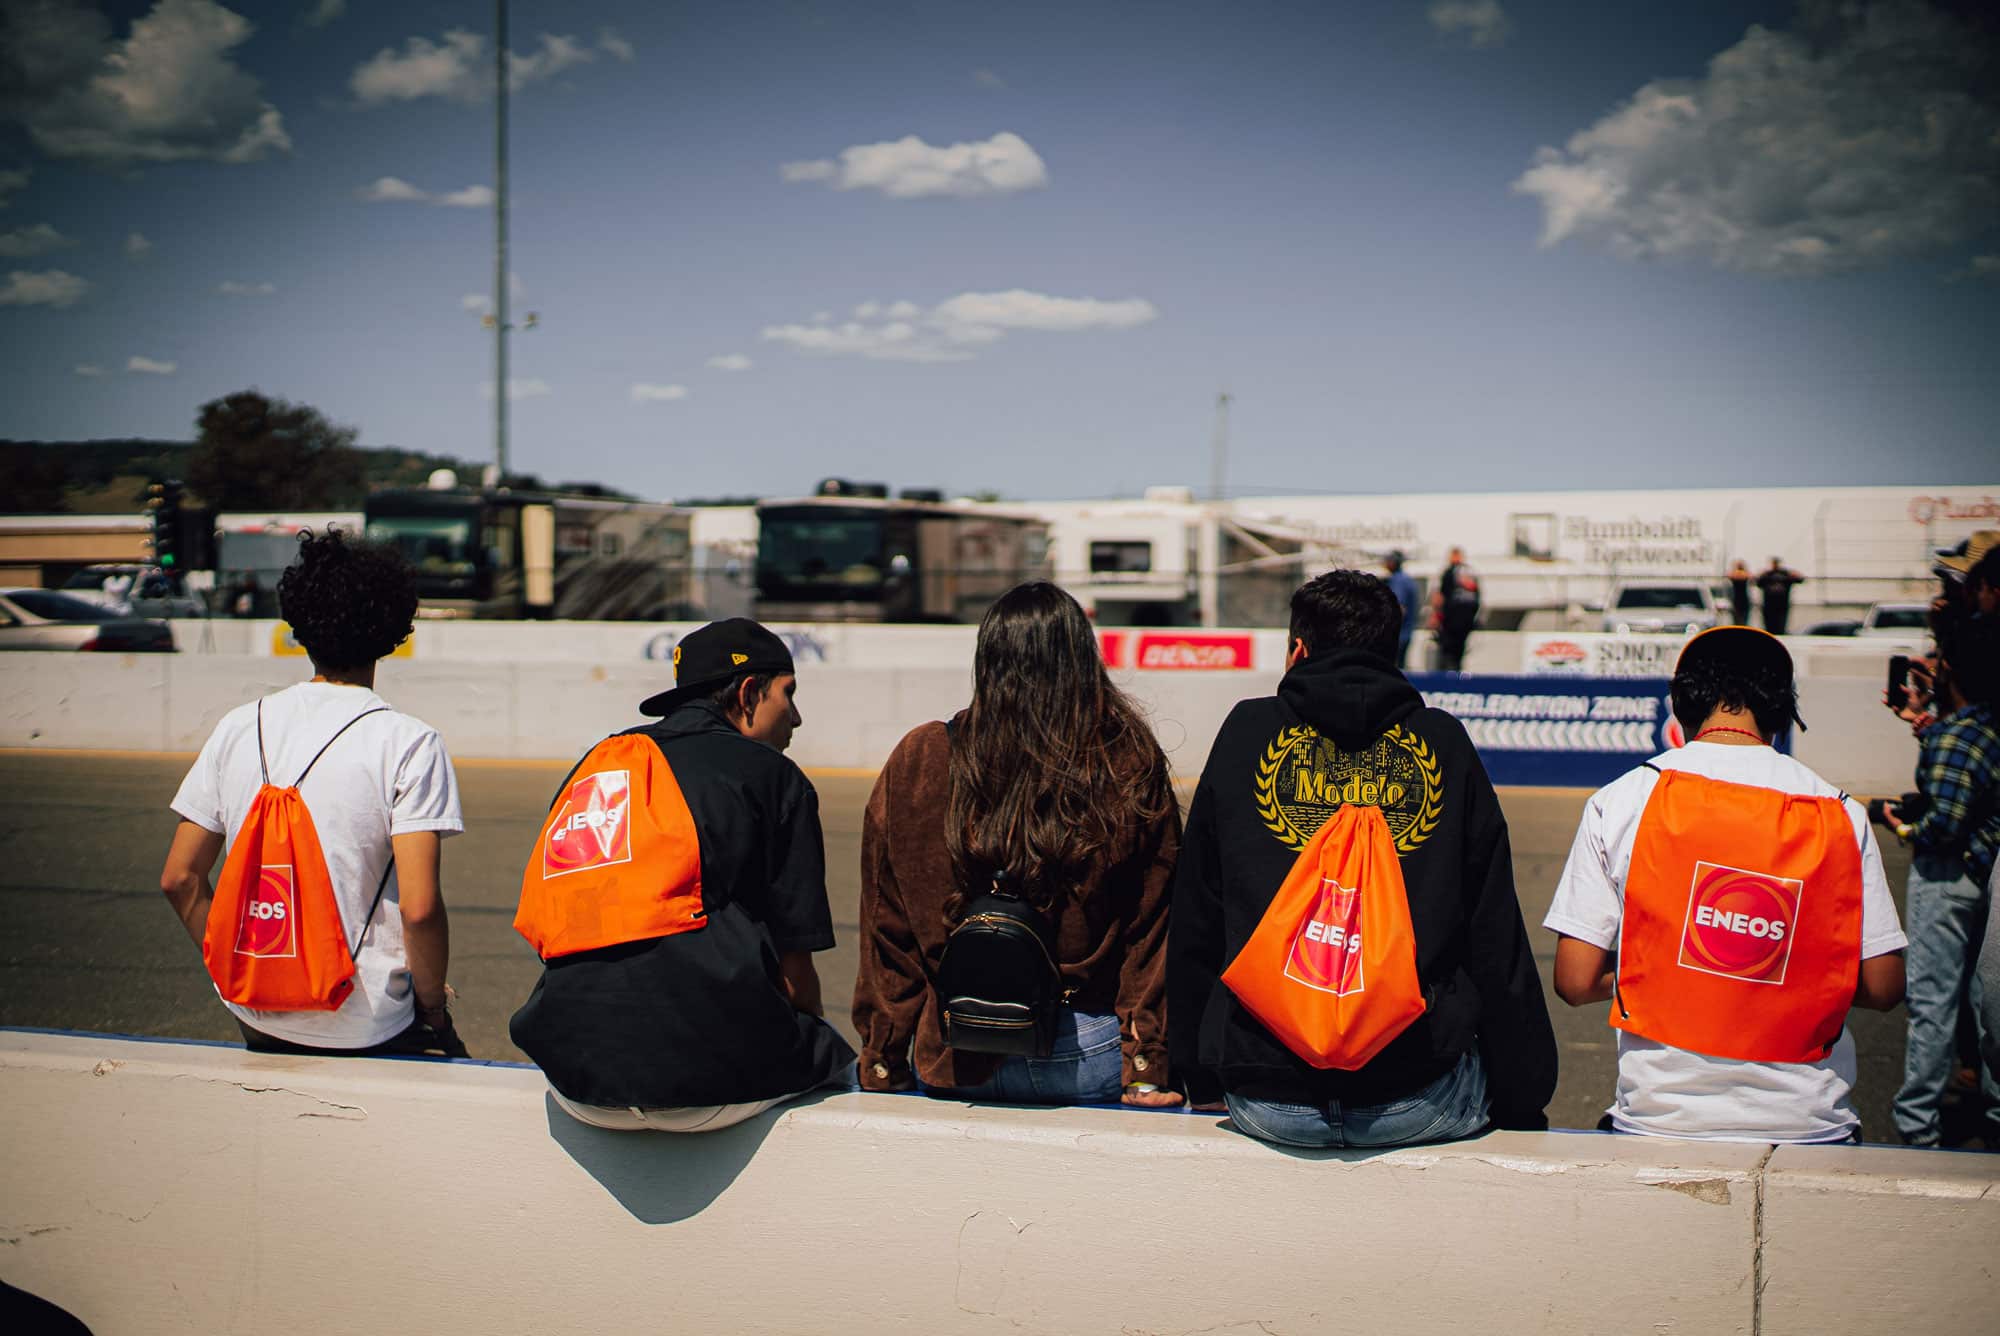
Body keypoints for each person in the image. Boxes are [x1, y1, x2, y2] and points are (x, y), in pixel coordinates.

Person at [1170, 570, 1556, 1147]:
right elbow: (1493, 934)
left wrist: (1197, 1073)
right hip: (1415, 1092)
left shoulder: (1247, 732)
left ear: (1297, 650)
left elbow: (1196, 913)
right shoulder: (1443, 741)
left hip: (1266, 1093)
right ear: (1391, 650)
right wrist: (1525, 1095)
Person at [1545, 627, 1906, 1143]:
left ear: (1681, 702)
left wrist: (1678, 977)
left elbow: (1575, 981)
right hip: (1809, 1121)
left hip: (1660, 1119)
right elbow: (1884, 985)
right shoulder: (1839, 810)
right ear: (1783, 706)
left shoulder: (1622, 798)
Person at [511, 618, 854, 1132]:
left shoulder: (601, 764)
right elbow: (795, 977)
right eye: (789, 694)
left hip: (573, 1077)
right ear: (747, 693)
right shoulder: (775, 777)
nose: (797, 718)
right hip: (708, 1087)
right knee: (840, 1067)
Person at [853, 582, 1183, 1108]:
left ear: (986, 660)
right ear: (1082, 659)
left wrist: (882, 1060)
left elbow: (886, 931)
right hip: (1085, 1052)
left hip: (952, 1050)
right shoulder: (1126, 761)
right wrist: (1144, 1067)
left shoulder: (919, 757)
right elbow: (1152, 932)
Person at [159, 528, 465, 1056]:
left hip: (256, 1008)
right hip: (365, 1023)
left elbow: (180, 879)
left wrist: (240, 973)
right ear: (394, 626)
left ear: (299, 622)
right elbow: (418, 910)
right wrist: (434, 1010)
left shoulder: (238, 725)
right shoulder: (409, 742)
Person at [1881, 613, 2000, 1147]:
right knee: (1984, 1005)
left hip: (1944, 876)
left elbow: (1943, 824)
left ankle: (1917, 1128)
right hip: (1985, 874)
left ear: (1949, 667)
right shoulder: (1986, 727)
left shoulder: (1955, 735)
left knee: (1931, 1004)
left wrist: (1903, 824)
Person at [1431, 546, 1480, 672]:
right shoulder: (1471, 572)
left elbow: (1440, 596)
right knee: (1459, 653)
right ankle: (1457, 676)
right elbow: (1478, 598)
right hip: (1467, 620)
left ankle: (1446, 681)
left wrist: (1436, 616)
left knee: (1447, 653)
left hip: (1451, 619)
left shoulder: (1450, 572)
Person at [1382, 550, 1419, 668]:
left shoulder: (1398, 580)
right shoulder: (1407, 579)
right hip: (1406, 633)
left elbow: (1399, 607)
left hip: (1399, 635)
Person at [1755, 557, 1804, 636]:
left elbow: (1800, 580)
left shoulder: (1786, 573)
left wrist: (1794, 574)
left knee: (1781, 624)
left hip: (1782, 603)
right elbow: (1757, 582)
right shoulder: (1767, 574)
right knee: (1769, 624)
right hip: (1769, 604)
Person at [1727, 558, 1753, 627]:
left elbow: (1749, 576)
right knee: (1736, 619)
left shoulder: (1745, 573)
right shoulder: (1734, 573)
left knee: (1744, 620)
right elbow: (1730, 575)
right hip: (1736, 599)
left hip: (1744, 599)